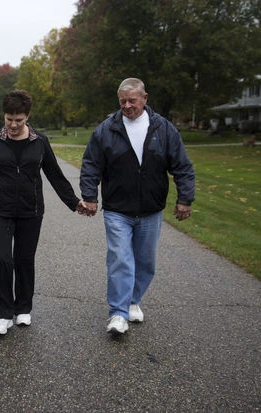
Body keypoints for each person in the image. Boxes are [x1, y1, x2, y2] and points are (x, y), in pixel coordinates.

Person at [78, 78, 195, 335]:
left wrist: (185, 199)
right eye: (123, 101)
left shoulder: (163, 129)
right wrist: (90, 196)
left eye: (132, 100)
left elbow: (182, 166)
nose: (127, 106)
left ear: (145, 98)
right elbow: (91, 165)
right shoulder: (107, 130)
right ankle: (118, 314)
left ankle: (133, 300)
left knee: (145, 261)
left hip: (151, 209)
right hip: (117, 209)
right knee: (120, 259)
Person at [0, 89, 85, 335]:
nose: (13, 125)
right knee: (2, 258)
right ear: (4, 116)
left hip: (31, 211)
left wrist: (74, 202)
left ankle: (23, 308)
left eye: (18, 120)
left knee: (24, 259)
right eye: (9, 119)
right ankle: (2, 315)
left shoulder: (39, 141)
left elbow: (54, 174)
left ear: (27, 116)